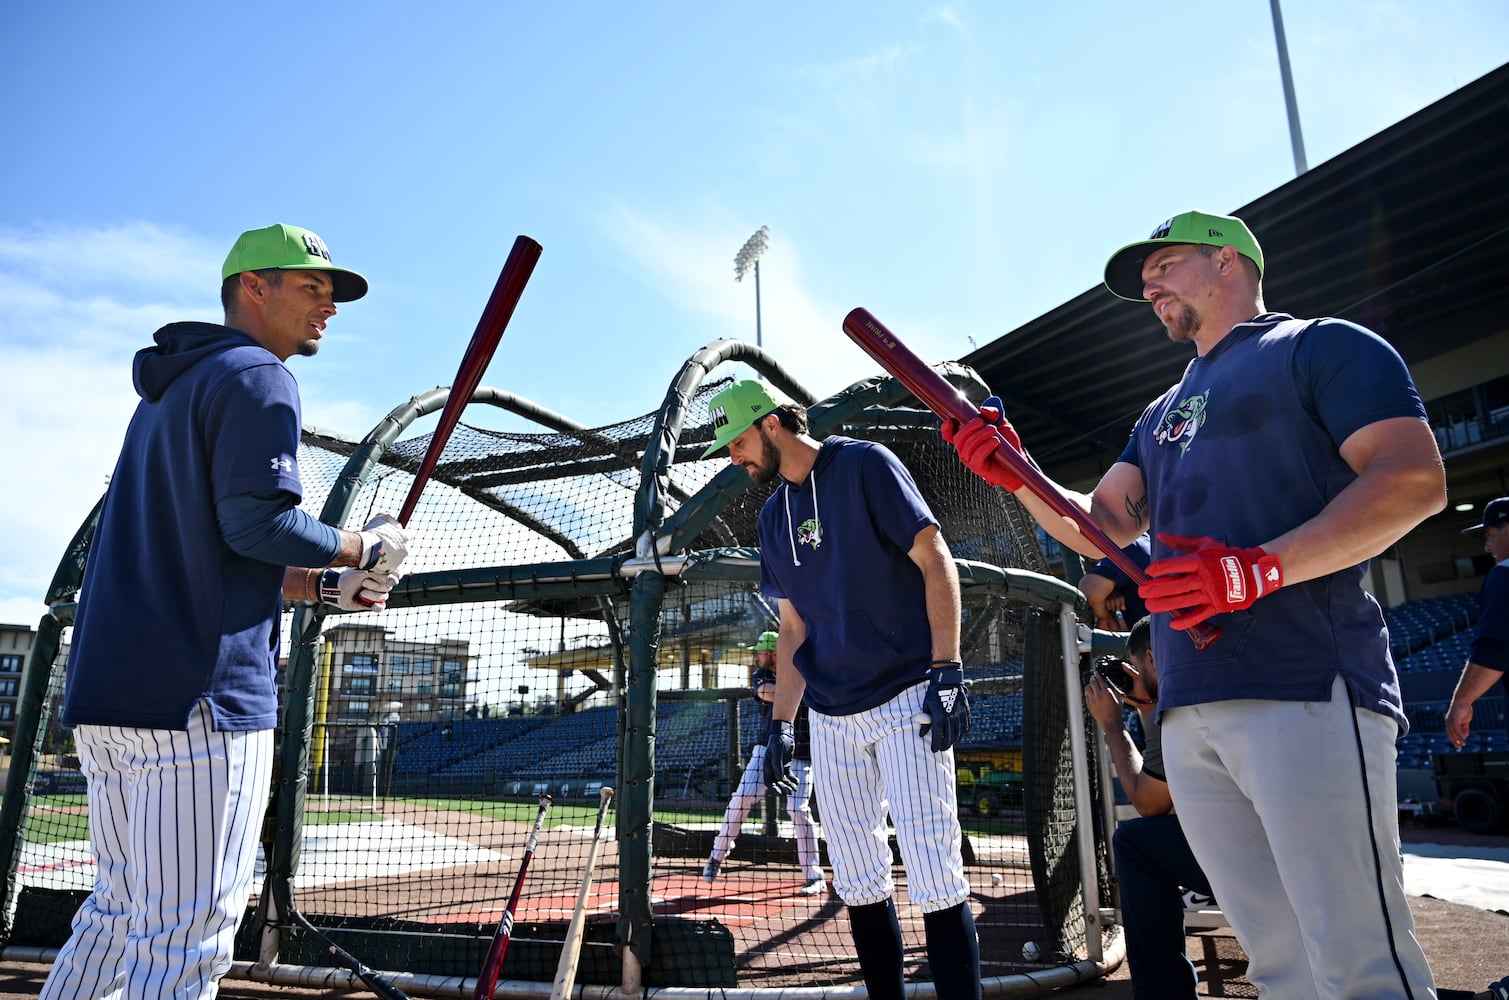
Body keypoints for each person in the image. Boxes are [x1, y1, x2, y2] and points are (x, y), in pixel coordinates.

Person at [944, 210, 1443, 998]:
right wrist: (1018, 475)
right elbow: (1101, 525)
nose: (1147, 285)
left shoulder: (1321, 345)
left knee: (1357, 956)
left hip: (1306, 679)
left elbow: (1413, 481)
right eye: (1144, 278)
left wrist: (1256, 571)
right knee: (1276, 961)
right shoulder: (1159, 410)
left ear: (1226, 262)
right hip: (1186, 702)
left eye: (1165, 264)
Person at [41, 224, 412, 1000]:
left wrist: (315, 586)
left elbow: (213, 545)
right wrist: (360, 545)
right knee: (185, 935)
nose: (329, 309)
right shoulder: (257, 376)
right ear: (254, 288)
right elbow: (257, 525)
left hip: (113, 697)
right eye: (312, 289)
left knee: (117, 916)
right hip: (197, 698)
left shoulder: (169, 392)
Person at [702, 379, 980, 1000]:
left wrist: (949, 669)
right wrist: (779, 724)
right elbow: (795, 627)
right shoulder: (773, 516)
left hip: (908, 693)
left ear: (773, 424)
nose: (733, 457)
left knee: (935, 871)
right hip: (830, 717)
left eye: (738, 441)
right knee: (857, 878)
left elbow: (935, 558)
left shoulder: (864, 464)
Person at [1086, 616, 1214, 998]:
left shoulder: (1176, 710)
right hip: (1298, 846)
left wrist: (1112, 726)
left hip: (1247, 860)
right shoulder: (1208, 681)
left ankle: (1164, 992)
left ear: (1155, 660)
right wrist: (1146, 707)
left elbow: (1149, 803)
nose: (1135, 675)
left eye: (1139, 667)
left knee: (1135, 842)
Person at [702, 630, 826, 895]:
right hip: (765, 750)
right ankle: (717, 855)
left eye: (760, 651)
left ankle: (814, 876)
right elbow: (767, 692)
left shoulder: (804, 668)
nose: (757, 656)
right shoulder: (763, 675)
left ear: (772, 653)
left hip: (801, 753)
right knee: (741, 797)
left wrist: (799, 681)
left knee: (798, 810)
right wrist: (797, 685)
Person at [1446, 497, 1509, 748]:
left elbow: (1495, 647)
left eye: (1490, 536)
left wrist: (1462, 701)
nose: (1487, 547)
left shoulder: (1505, 572)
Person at [1080, 533, 1152, 632]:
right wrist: (1108, 595)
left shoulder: (1128, 544)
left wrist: (1105, 617)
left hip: (1156, 641)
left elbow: (1090, 591)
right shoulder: (1148, 542)